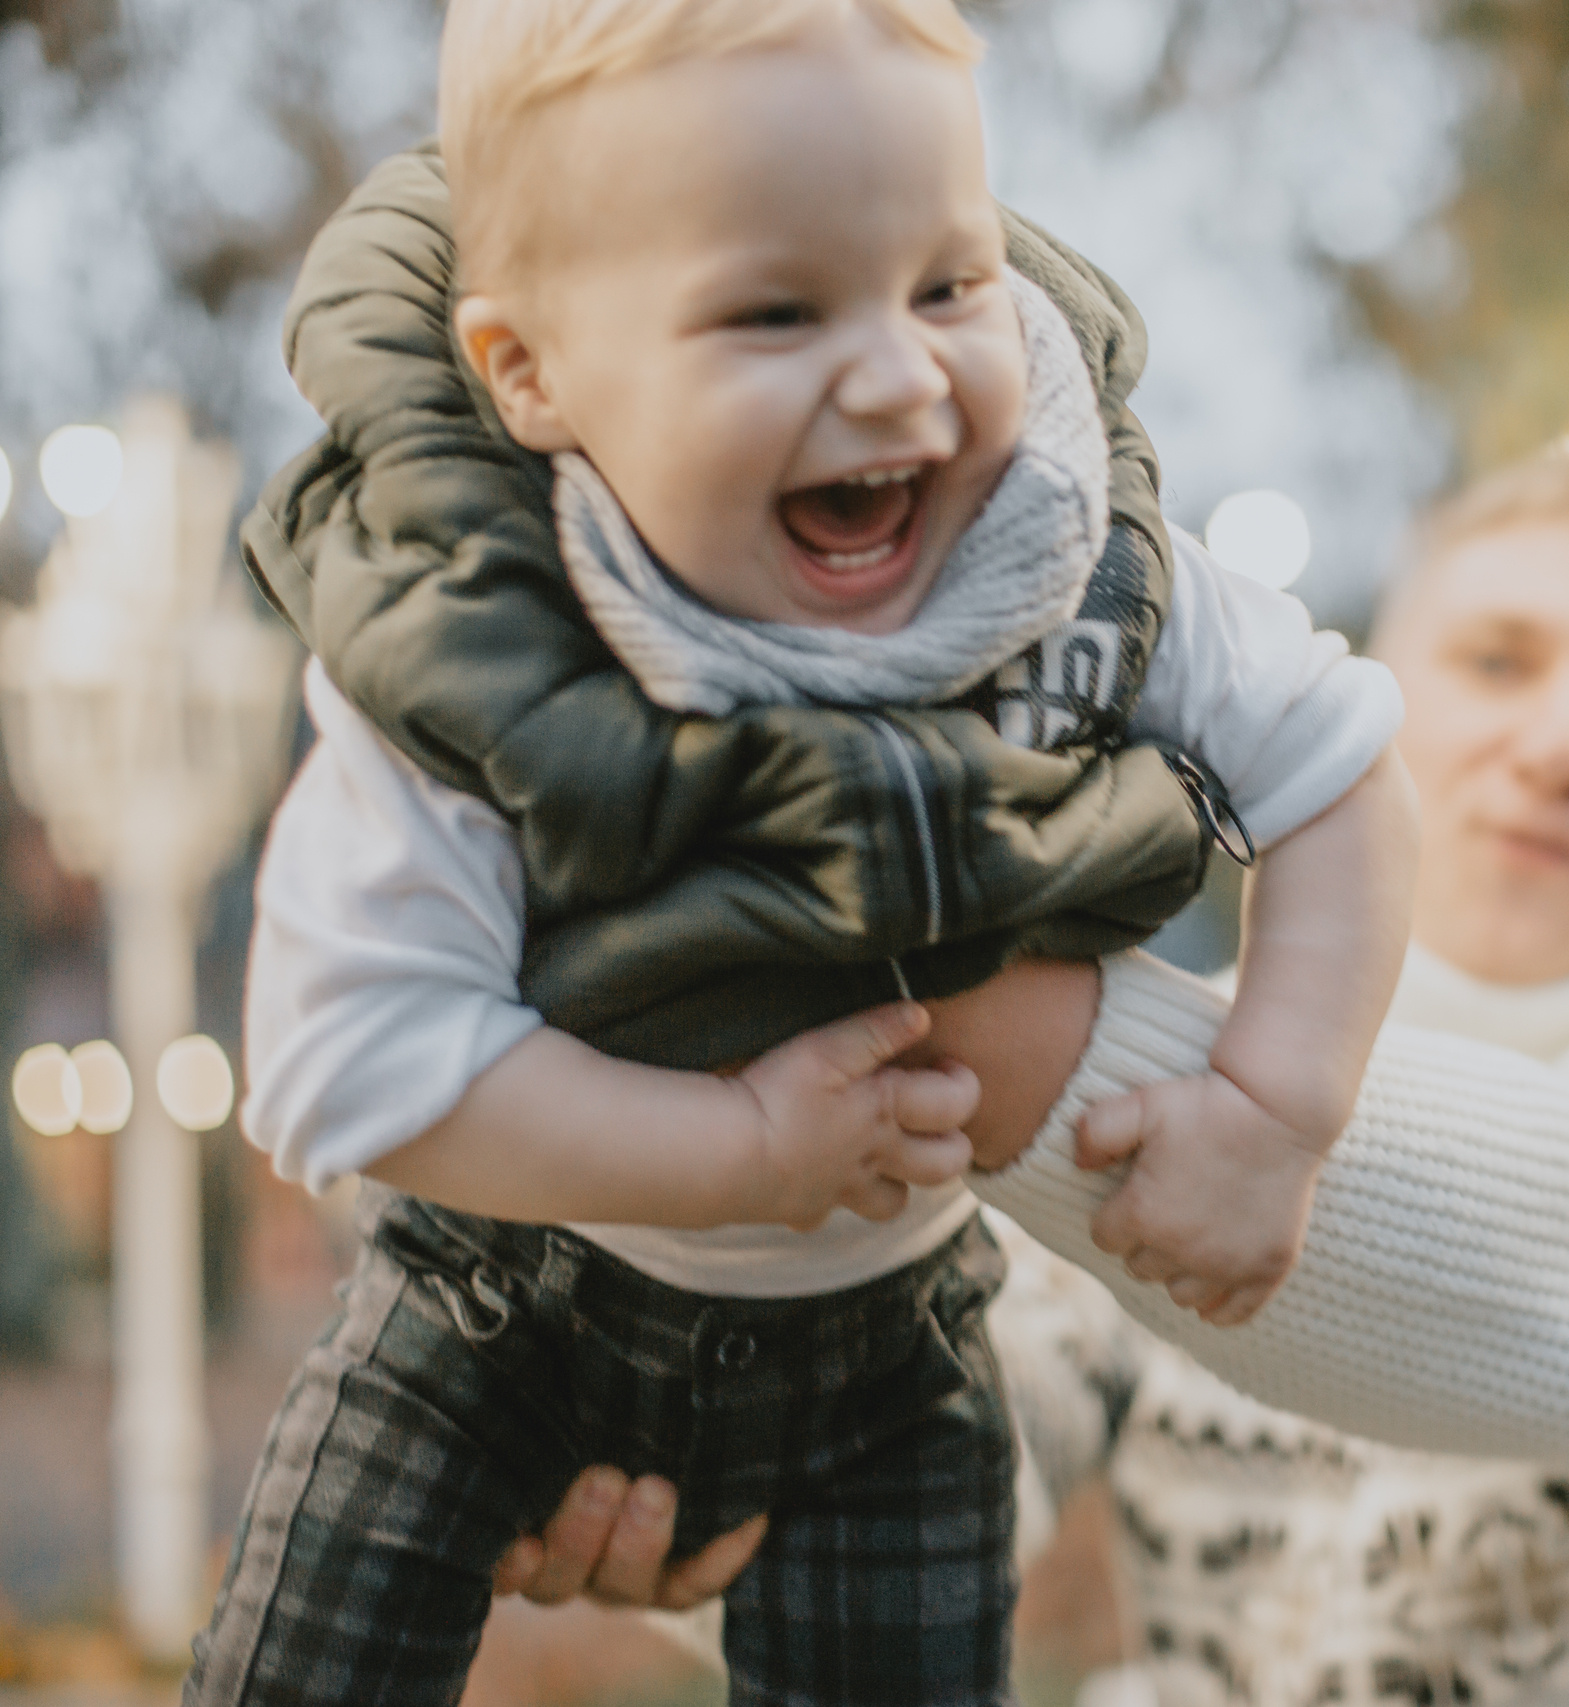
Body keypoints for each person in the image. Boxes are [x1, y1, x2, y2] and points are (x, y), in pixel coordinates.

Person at [191, 0, 1415, 1701]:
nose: (902, 374)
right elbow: (345, 1062)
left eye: (949, 283)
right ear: (529, 376)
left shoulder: (1069, 552)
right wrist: (737, 1147)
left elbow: (1339, 765)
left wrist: (1279, 1105)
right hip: (502, 1310)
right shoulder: (475, 628)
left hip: (885, 1361)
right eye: (773, 312)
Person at [493, 394, 1569, 1706]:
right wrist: (679, 1440)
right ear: (1370, 721)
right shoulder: (1181, 1089)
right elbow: (920, 1466)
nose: (1561, 743)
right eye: (1498, 660)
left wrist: (921, 978)